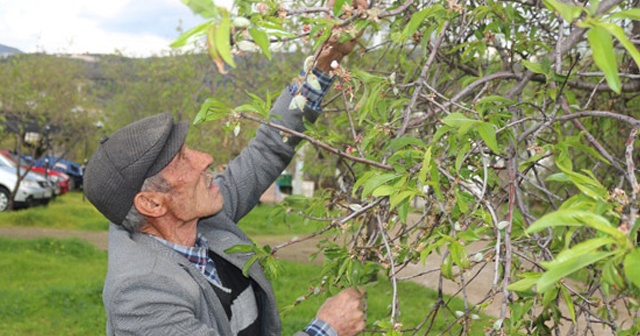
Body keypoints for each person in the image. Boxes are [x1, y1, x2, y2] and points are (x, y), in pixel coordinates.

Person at [82, 6, 367, 336]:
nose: (205, 159)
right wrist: (327, 329)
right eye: (183, 161)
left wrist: (321, 66)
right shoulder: (141, 295)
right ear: (152, 204)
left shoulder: (197, 218)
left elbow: (267, 150)